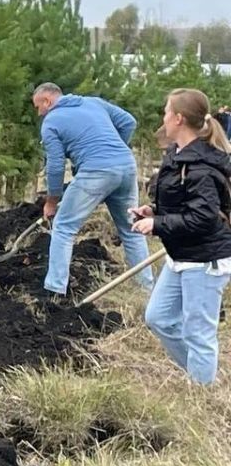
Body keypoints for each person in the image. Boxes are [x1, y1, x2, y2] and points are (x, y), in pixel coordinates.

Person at [132, 89, 231, 385]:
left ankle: (202, 395)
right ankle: (200, 375)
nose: (162, 116)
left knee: (198, 334)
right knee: (158, 318)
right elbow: (184, 204)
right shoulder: (177, 155)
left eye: (166, 111)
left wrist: (158, 224)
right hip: (182, 255)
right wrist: (153, 211)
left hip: (205, 260)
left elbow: (203, 217)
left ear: (178, 118)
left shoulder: (201, 168)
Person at [32, 82, 152, 296]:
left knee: (64, 227)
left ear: (47, 101)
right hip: (126, 166)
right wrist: (116, 148)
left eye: (37, 107)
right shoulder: (93, 102)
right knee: (131, 229)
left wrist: (52, 201)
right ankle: (146, 290)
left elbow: (56, 165)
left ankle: (54, 291)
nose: (38, 113)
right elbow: (128, 122)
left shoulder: (51, 121)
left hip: (96, 172)